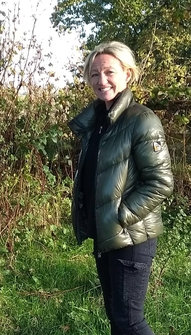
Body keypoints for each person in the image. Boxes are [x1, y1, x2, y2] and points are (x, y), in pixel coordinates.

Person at [69, 41, 174, 334]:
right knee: (116, 316)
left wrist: (120, 215)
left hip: (131, 236)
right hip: (105, 235)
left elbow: (161, 182)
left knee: (130, 320)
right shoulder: (98, 122)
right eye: (94, 74)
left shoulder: (141, 120)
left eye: (109, 72)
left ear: (127, 74)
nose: (101, 81)